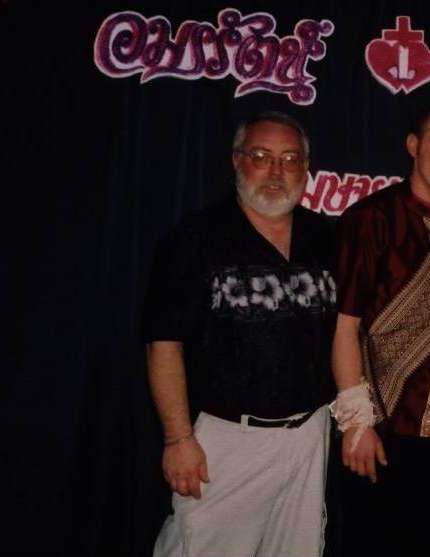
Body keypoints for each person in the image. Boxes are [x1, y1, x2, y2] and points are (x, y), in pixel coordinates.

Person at [143, 112, 336, 557]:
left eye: (290, 159)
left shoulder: (324, 237)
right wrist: (177, 439)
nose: (276, 171)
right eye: (261, 157)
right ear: (237, 160)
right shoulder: (197, 238)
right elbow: (163, 343)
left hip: (309, 432)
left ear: (306, 168)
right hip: (229, 439)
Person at [329, 101, 430, 557]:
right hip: (386, 420)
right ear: (413, 146)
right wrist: (357, 424)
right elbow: (344, 328)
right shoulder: (371, 219)